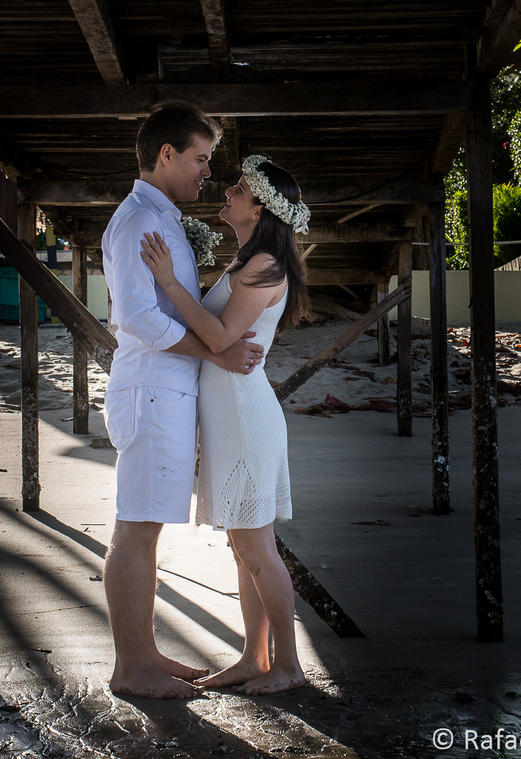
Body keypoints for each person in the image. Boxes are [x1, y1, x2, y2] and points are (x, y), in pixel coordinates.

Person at [101, 102, 266, 699]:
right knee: (137, 528)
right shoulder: (138, 221)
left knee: (145, 526)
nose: (208, 171)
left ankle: (143, 653)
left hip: (161, 391)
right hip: (151, 390)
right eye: (200, 158)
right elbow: (139, 317)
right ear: (166, 155)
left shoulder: (158, 217)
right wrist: (215, 354)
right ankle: (131, 667)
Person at [139, 154, 310, 695]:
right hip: (232, 414)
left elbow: (218, 337)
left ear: (259, 209)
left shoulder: (265, 266)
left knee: (258, 551)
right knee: (245, 550)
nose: (227, 191)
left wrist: (169, 282)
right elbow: (219, 338)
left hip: (243, 416)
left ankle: (289, 665)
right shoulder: (250, 261)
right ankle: (254, 657)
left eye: (239, 188)